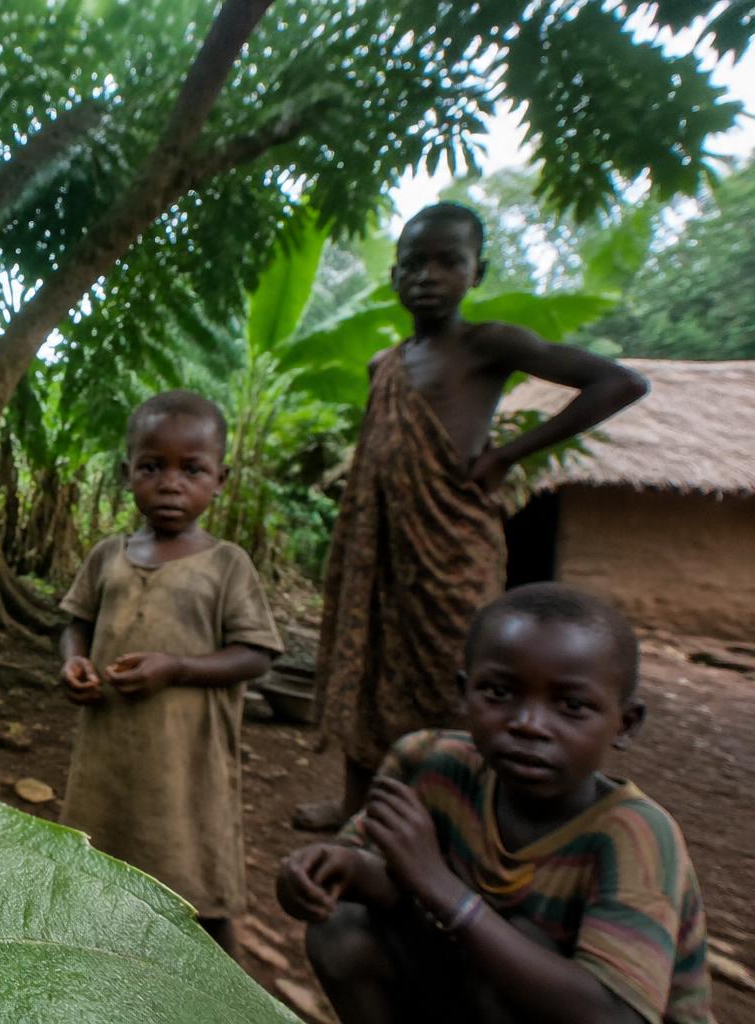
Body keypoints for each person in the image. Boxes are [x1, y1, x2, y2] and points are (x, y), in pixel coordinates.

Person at [292, 201, 649, 832]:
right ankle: (356, 805)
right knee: (370, 665)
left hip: (452, 545)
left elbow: (618, 383)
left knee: (463, 674)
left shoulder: (488, 344)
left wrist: (508, 454)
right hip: (382, 549)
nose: (427, 276)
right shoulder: (384, 365)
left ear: (475, 272)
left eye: (446, 262)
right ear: (394, 276)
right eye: (412, 264)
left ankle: (463, 819)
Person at [276, 583, 712, 1024]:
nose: (529, 724)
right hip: (474, 990)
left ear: (626, 724)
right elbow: (380, 882)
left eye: (572, 705)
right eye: (499, 693)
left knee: (515, 943)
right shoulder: (430, 764)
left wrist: (444, 889)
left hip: (578, 1010)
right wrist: (329, 872)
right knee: (344, 927)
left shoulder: (635, 834)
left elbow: (615, 1017)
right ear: (464, 692)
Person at [58, 390, 283, 960]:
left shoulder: (227, 564)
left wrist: (177, 667)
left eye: (192, 470)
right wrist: (74, 661)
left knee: (196, 885)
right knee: (98, 862)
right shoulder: (108, 555)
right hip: (109, 754)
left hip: (186, 764)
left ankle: (225, 991)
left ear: (220, 479)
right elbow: (76, 623)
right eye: (152, 467)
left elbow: (256, 654)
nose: (170, 484)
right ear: (126, 473)